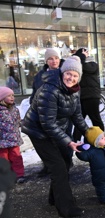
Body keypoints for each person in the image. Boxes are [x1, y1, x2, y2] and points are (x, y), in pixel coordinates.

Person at [21, 56, 89, 217]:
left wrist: (92, 134)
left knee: (65, 160)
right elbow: (48, 124)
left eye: (75, 75)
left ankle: (55, 197)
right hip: (38, 131)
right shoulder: (49, 90)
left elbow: (77, 116)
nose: (71, 78)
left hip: (56, 129)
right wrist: (68, 142)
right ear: (62, 73)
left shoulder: (74, 91)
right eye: (68, 74)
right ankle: (66, 208)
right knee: (57, 166)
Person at [29, 48, 66, 178]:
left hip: (62, 113)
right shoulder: (40, 76)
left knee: (62, 141)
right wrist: (33, 104)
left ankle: (65, 165)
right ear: (46, 61)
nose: (54, 61)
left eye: (56, 58)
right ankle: (48, 165)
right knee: (46, 141)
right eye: (50, 58)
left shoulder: (65, 72)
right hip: (44, 113)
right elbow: (35, 92)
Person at [72, 48, 105, 142]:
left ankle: (101, 139)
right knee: (79, 120)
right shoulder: (78, 66)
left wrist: (81, 57)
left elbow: (85, 67)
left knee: (95, 119)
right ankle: (75, 140)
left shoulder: (92, 65)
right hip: (82, 97)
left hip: (91, 96)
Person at [0, 87, 26, 184]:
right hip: (2, 141)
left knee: (17, 157)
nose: (12, 97)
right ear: (2, 98)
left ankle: (19, 175)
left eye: (13, 95)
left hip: (14, 139)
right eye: (9, 96)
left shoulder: (15, 109)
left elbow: (18, 121)